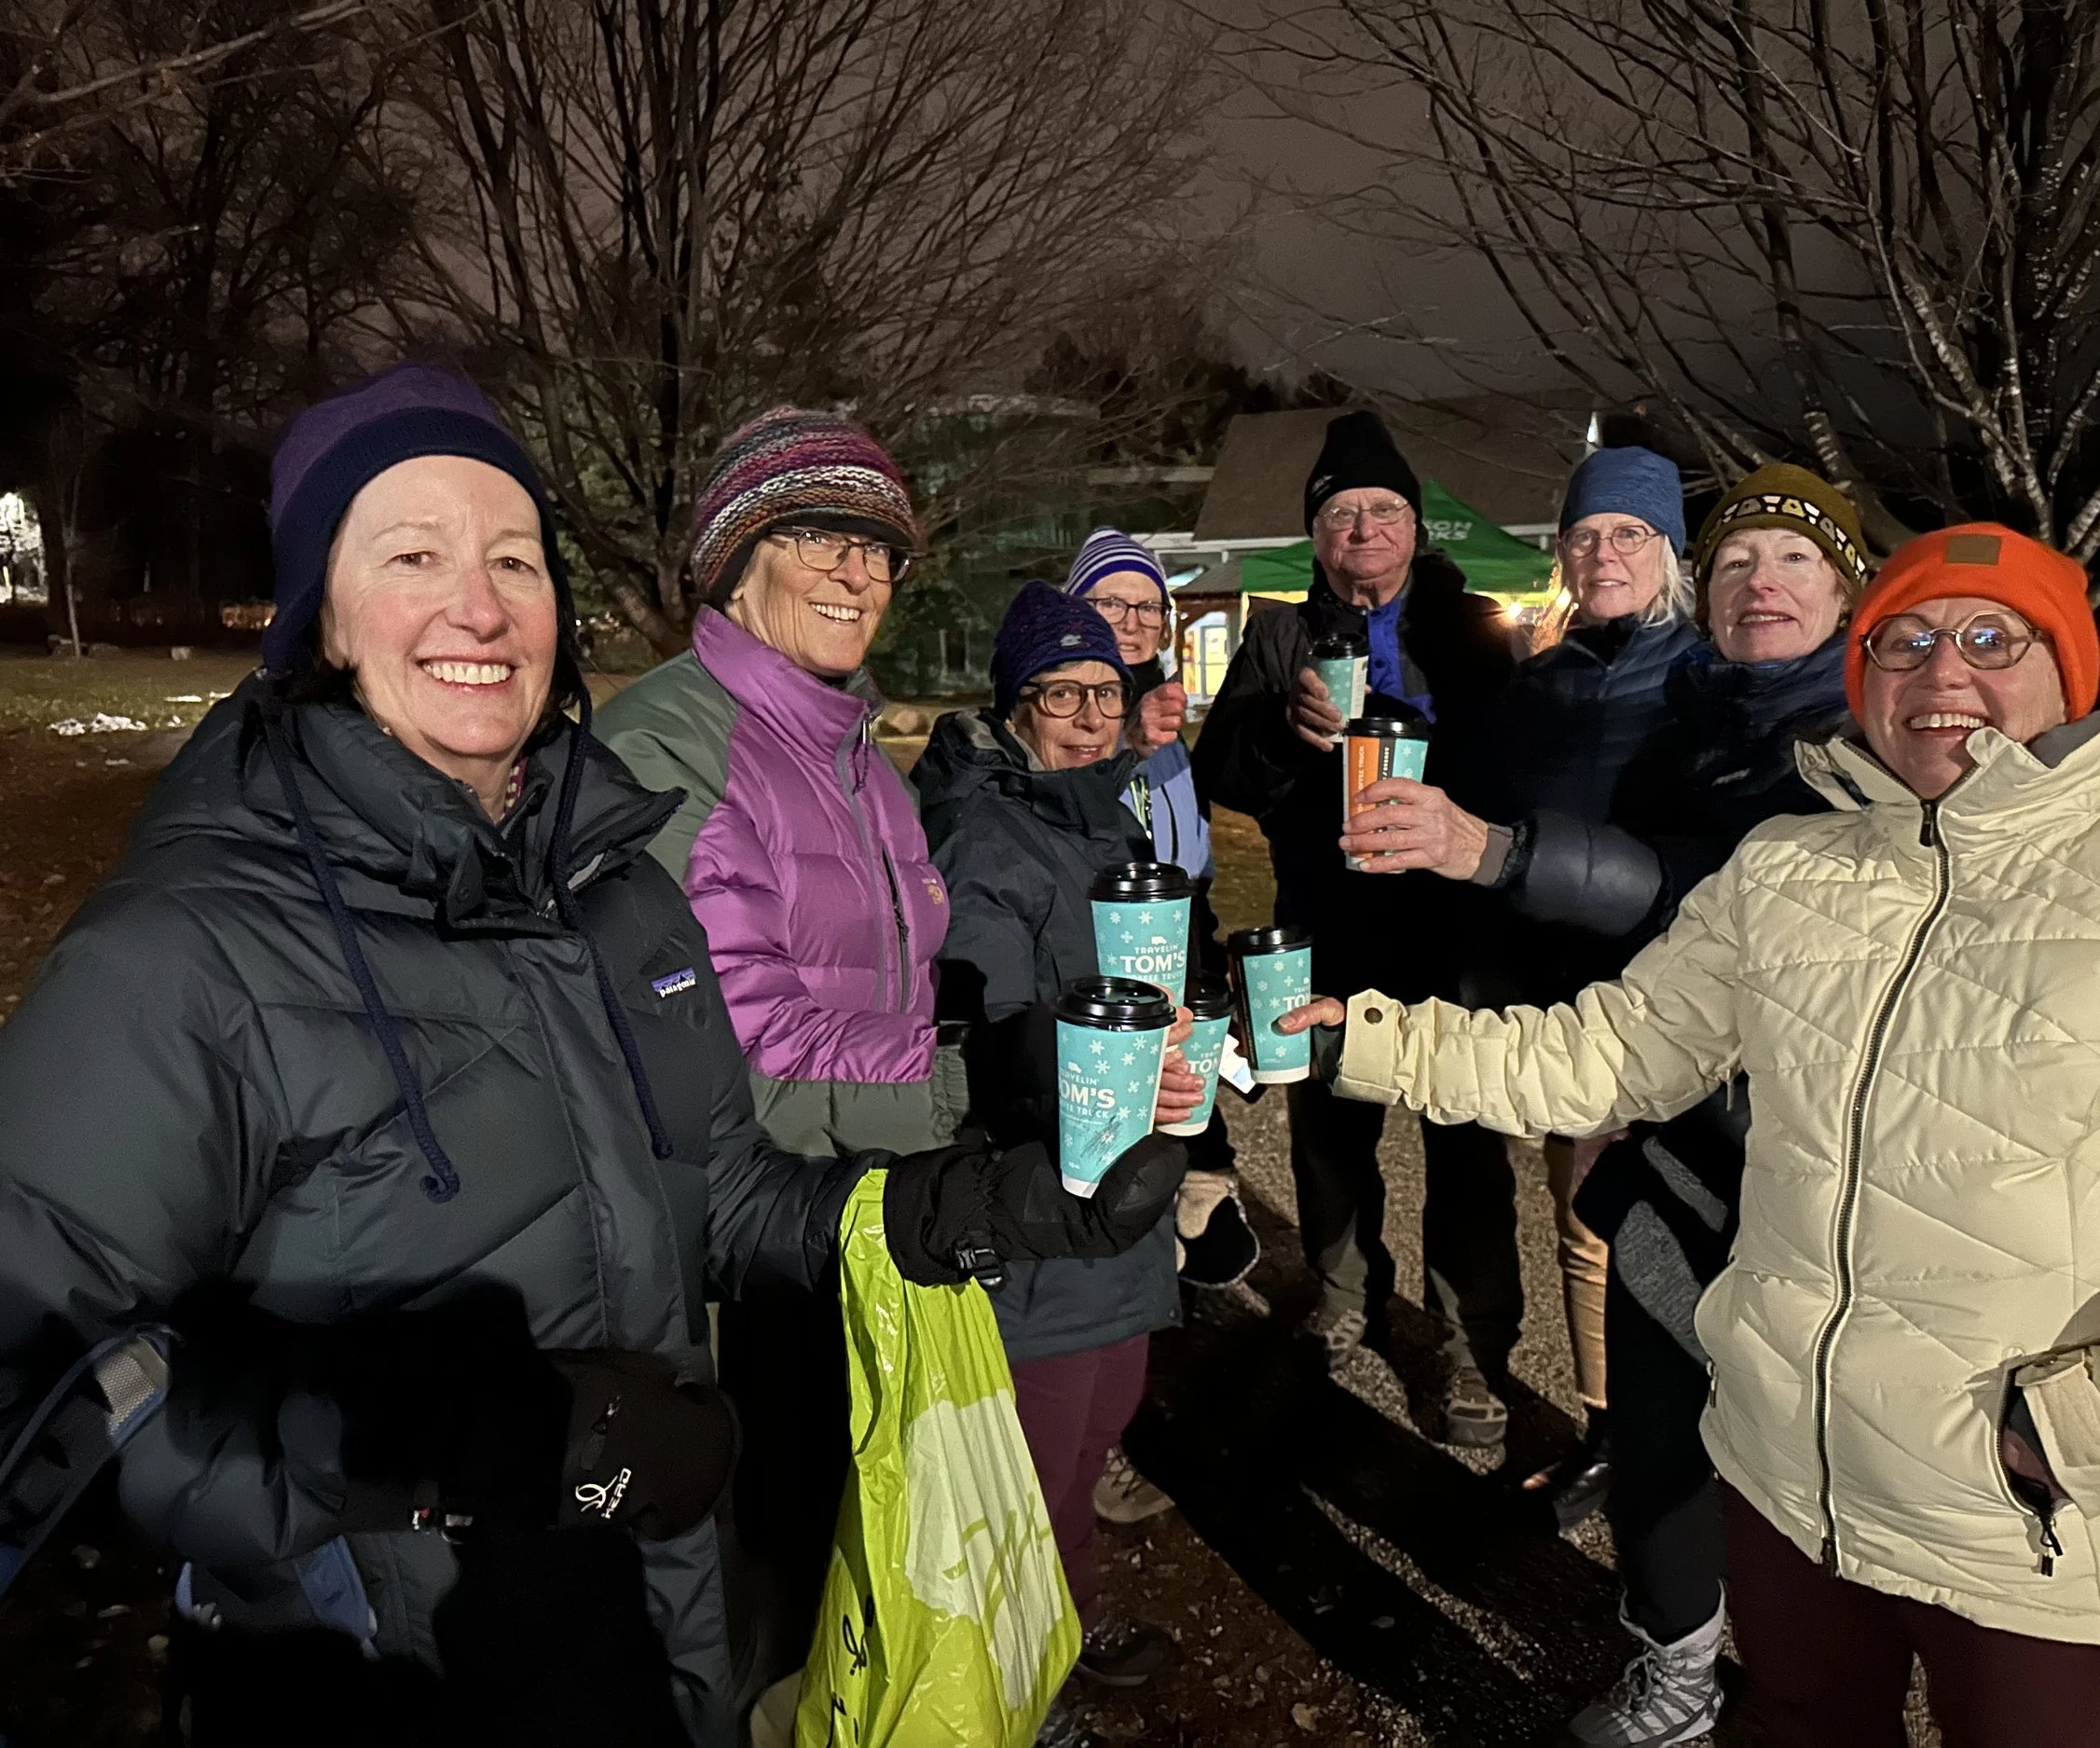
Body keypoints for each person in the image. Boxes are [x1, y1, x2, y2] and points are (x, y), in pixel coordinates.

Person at [0, 365, 1182, 1748]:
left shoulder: (606, 890)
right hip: (386, 1676)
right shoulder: (187, 952)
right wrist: (463, 1441)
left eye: (514, 556)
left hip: (641, 1619)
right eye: (411, 554)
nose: (480, 604)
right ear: (317, 612)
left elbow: (723, 1189)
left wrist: (969, 1203)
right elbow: (45, 1390)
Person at [1284, 523, 2100, 1747]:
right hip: (1790, 1487)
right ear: (1862, 671)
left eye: (1995, 635)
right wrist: (1359, 1036)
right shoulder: (1788, 867)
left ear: (2072, 672)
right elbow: (1604, 1052)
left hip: (2041, 1521)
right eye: (1907, 638)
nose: (1944, 672)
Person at [1342, 463, 1871, 1745]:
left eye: (1793, 562)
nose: (1760, 584)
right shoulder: (1645, 694)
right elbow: (1474, 781)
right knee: (1639, 1330)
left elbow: (1716, 888)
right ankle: (1678, 1654)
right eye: (1585, 532)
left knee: (1814, 1434)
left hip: (1793, 1125)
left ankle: (1822, 1687)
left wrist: (1500, 853)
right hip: (1619, 1046)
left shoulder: (1854, 727)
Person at [594, 407, 953, 1737]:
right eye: (820, 534)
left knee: (851, 1548)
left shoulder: (860, 753)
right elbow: (737, 1039)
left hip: (851, 1205)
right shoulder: (673, 745)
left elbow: (886, 980)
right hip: (738, 1254)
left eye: (881, 547)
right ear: (737, 555)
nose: (860, 572)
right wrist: (976, 1087)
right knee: (757, 1578)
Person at [1189, 410, 1521, 1447]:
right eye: (1341, 514)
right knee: (1331, 1135)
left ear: (1416, 529)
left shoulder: (1474, 629)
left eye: (1383, 510)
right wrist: (1281, 734)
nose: (1363, 530)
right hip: (1326, 921)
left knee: (1464, 1141)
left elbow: (1517, 770)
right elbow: (1219, 771)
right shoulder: (1279, 634)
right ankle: (1343, 1302)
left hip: (1451, 928)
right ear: (1317, 537)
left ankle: (1471, 1355)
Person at [912, 582, 1204, 1741]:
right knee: (1032, 1464)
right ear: (1014, 702)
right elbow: (982, 1017)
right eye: (1059, 693)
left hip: (1121, 1170)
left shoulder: (1109, 815)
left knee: (1098, 1426)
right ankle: (1014, 1695)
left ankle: (1062, 1628)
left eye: (1105, 692)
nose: (1087, 714)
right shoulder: (983, 830)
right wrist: (1102, 1062)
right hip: (1043, 1175)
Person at [1432, 444, 1705, 1521]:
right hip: (1562, 998)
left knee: (1705, 1234)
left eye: (1629, 533)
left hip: (1685, 999)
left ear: (1669, 551)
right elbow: (1487, 838)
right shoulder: (1533, 687)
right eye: (1585, 534)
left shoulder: (1705, 676)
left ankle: (1710, 1442)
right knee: (1588, 1223)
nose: (1604, 553)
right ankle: (1608, 1429)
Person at [1061, 530, 1260, 1528]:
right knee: (1101, 1213)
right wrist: (1121, 749)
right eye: (1113, 606)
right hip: (1098, 1011)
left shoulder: (1172, 732)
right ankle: (1087, 1451)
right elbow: (1075, 834)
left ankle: (1126, 1407)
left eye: (1149, 609)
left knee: (1159, 1211)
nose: (1134, 624)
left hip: (1173, 985)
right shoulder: (1075, 713)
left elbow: (1189, 876)